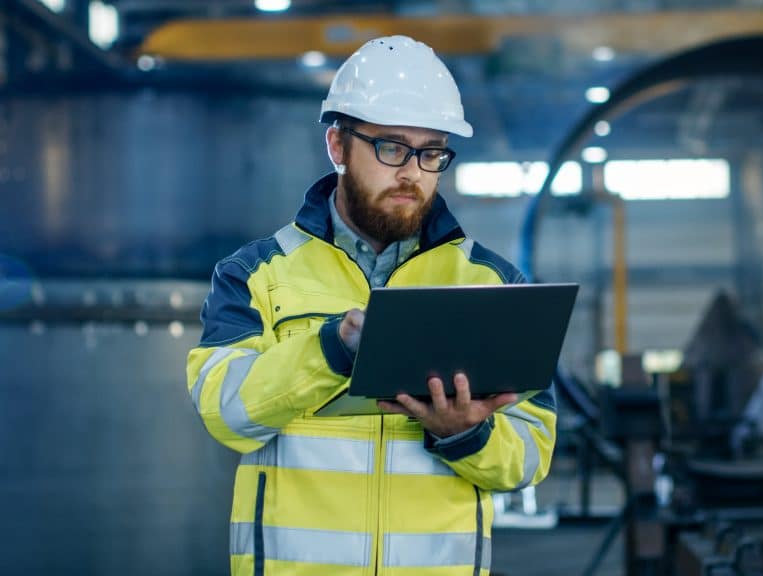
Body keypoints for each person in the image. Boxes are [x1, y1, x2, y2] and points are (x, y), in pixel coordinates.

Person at [185, 35, 557, 576]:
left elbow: (530, 456)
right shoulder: (256, 274)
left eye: (431, 152)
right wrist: (330, 349)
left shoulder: (493, 284)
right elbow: (225, 415)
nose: (412, 172)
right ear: (337, 146)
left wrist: (465, 434)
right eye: (391, 148)